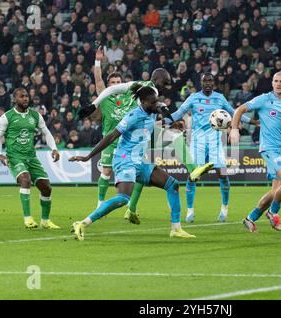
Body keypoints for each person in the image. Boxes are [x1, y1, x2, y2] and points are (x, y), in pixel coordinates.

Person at [78, 63, 213, 222]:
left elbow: (111, 90)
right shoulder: (152, 91)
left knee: (143, 169)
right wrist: (169, 119)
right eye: (165, 82)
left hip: (134, 132)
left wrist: (94, 104)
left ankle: (131, 209)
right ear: (156, 79)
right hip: (134, 131)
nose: (167, 86)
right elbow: (156, 108)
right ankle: (193, 170)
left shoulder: (136, 85)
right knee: (175, 137)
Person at [69, 86, 195, 240]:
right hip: (125, 160)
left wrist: (170, 119)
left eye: (157, 100)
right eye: (153, 102)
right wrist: (88, 156)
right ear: (143, 102)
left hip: (139, 163)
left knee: (173, 185)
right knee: (123, 198)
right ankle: (82, 223)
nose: (157, 104)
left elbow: (163, 115)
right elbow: (111, 136)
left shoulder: (153, 111)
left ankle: (176, 229)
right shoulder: (133, 116)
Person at [164, 73, 256, 223]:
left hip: (215, 140)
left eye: (210, 81)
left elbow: (234, 113)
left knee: (222, 174)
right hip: (198, 142)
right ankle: (190, 210)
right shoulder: (194, 97)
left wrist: (252, 121)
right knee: (193, 176)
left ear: (214, 83)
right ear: (201, 83)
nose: (207, 83)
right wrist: (164, 120)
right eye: (205, 81)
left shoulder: (220, 98)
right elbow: (179, 113)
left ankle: (224, 207)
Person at [229, 71, 281, 233]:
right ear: (272, 83)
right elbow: (239, 110)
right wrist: (234, 129)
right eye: (276, 81)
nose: (278, 84)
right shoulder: (264, 99)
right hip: (269, 148)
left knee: (276, 191)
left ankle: (250, 218)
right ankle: (273, 213)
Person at [0, 88, 60, 229]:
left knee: (46, 187)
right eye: (22, 96)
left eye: (27, 96)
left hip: (31, 157)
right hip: (15, 157)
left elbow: (46, 133)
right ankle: (28, 218)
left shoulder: (35, 116)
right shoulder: (7, 117)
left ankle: (45, 221)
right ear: (14, 99)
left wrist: (54, 148)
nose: (25, 98)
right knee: (25, 179)